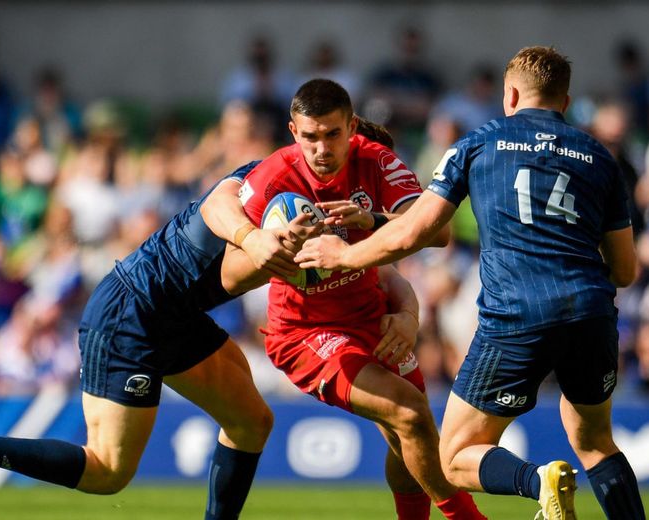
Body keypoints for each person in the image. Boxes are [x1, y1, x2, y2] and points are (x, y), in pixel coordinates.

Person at [0, 123, 418, 519]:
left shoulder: (294, 193)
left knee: (251, 421)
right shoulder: (283, 203)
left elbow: (382, 267)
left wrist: (405, 307)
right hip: (131, 314)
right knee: (107, 473)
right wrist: (286, 252)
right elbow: (242, 259)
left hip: (173, 313)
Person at [296, 47, 647, 520]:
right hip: (591, 309)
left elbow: (417, 229)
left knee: (456, 455)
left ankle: (536, 480)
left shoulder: (480, 142)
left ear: (511, 95)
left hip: (516, 314)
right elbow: (625, 271)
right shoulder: (600, 158)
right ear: (564, 103)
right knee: (595, 442)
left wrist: (345, 254)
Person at [202, 79, 484, 520]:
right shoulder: (273, 178)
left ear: (351, 127)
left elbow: (436, 232)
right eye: (310, 137)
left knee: (408, 437)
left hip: (372, 321)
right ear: (294, 132)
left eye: (332, 134)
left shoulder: (377, 161)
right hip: (306, 335)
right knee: (410, 415)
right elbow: (229, 276)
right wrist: (270, 246)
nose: (321, 149)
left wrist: (374, 223)